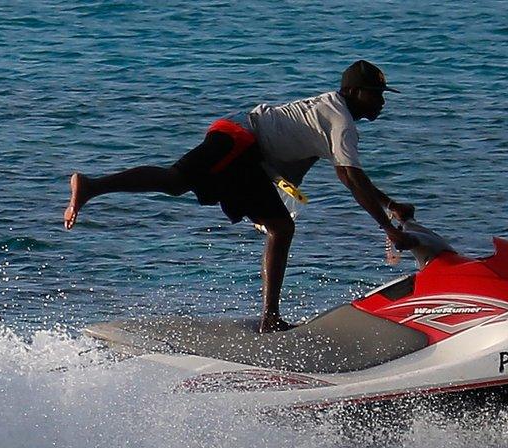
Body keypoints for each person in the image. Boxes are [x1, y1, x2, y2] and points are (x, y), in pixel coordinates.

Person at [63, 60, 416, 333]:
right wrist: (388, 227)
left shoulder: (335, 115)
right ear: (355, 92)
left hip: (246, 150)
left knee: (279, 226)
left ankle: (270, 318)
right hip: (239, 139)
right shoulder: (341, 121)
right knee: (177, 181)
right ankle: (91, 186)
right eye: (376, 94)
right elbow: (352, 177)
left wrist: (388, 205)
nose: (381, 102)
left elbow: (347, 174)